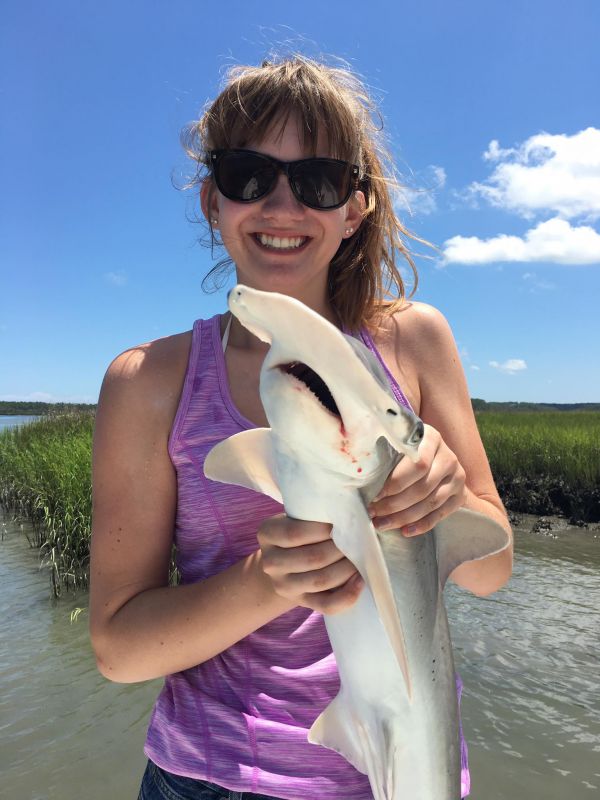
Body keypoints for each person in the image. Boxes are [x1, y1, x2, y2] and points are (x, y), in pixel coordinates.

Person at [89, 55, 513, 800]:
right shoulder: (149, 382)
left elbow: (490, 570)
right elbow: (119, 652)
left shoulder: (414, 341)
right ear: (211, 198)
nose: (282, 206)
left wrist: (447, 499)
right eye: (249, 175)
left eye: (317, 181)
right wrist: (271, 580)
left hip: (412, 769)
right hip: (207, 778)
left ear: (354, 208)